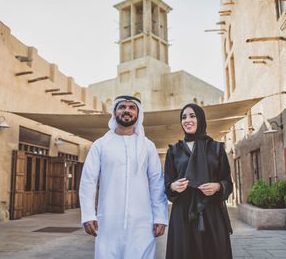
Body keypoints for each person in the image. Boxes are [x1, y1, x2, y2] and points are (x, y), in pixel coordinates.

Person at [79, 95, 168, 259]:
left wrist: (160, 216)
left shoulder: (147, 146)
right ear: (114, 112)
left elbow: (157, 182)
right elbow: (88, 181)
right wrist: (88, 214)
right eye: (122, 107)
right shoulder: (101, 144)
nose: (127, 110)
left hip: (142, 222)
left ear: (138, 114)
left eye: (131, 107)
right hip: (108, 222)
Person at [164, 103, 233, 259]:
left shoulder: (216, 148)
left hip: (211, 212)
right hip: (183, 213)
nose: (187, 120)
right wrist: (173, 186)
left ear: (200, 119)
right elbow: (167, 184)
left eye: (192, 116)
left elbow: (228, 182)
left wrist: (217, 186)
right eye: (183, 117)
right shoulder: (174, 151)